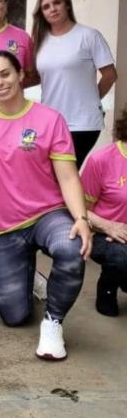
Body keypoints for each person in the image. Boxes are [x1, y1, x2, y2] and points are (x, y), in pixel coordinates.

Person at [0, 50, 93, 360]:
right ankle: (30, 275)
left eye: (5, 74)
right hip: (4, 226)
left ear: (21, 75)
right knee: (15, 316)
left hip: (47, 214)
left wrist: (82, 218)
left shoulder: (50, 119)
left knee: (71, 249)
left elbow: (68, 177)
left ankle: (53, 322)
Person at [30, 0, 118, 167]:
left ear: (67, 5)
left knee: (65, 173)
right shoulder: (39, 41)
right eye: (46, 7)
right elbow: (40, 77)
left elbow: (110, 75)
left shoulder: (89, 36)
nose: (52, 9)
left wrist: (91, 101)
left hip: (82, 123)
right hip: (50, 122)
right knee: (50, 175)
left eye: (57, 3)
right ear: (41, 13)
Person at [79, 105, 127, 316]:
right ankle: (108, 287)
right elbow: (80, 211)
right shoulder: (102, 159)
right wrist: (108, 226)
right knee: (121, 257)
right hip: (104, 234)